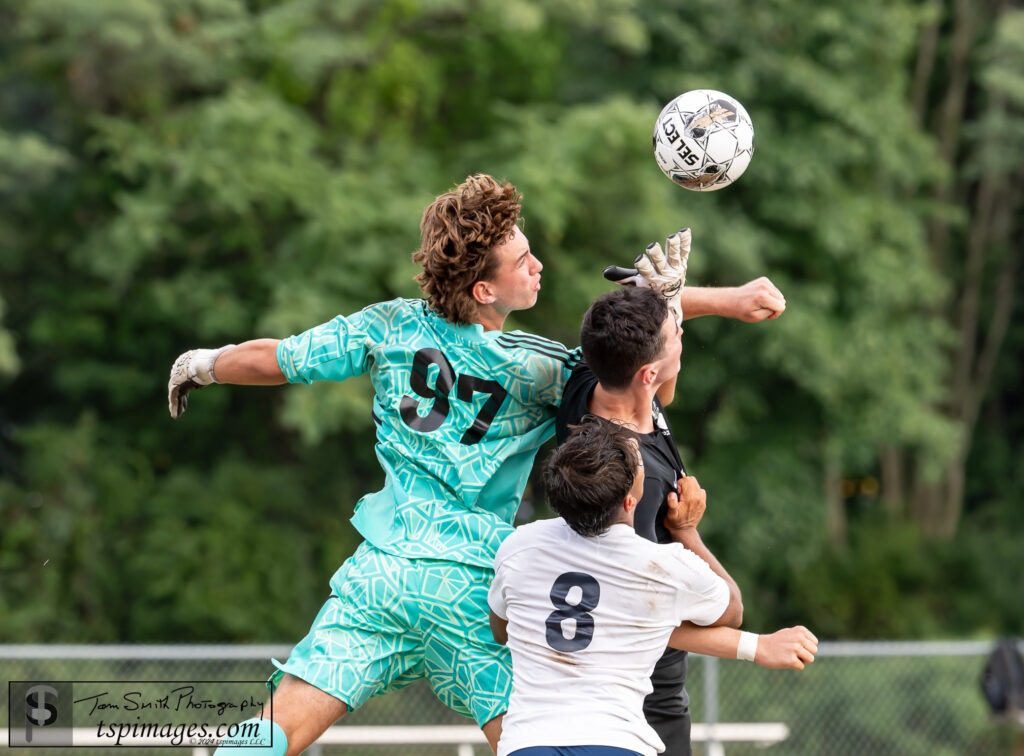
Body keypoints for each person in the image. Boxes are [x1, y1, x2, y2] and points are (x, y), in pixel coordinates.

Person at [166, 174, 785, 756]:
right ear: (484, 289)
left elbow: (277, 360)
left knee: (281, 724)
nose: (538, 264)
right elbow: (631, 367)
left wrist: (202, 363)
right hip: (474, 590)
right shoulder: (538, 368)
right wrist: (701, 300)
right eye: (523, 261)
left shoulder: (388, 326)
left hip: (382, 575)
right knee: (540, 735)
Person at [488, 418, 817, 756]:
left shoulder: (518, 546)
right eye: (640, 461)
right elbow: (732, 609)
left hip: (527, 744)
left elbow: (502, 629)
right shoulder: (663, 568)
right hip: (615, 742)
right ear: (631, 501)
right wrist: (687, 531)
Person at [558, 235, 764, 755]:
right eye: (678, 332)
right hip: (644, 698)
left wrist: (725, 301)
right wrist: (686, 532)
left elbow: (632, 334)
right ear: (649, 372)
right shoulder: (631, 481)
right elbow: (662, 609)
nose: (681, 329)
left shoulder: (595, 381)